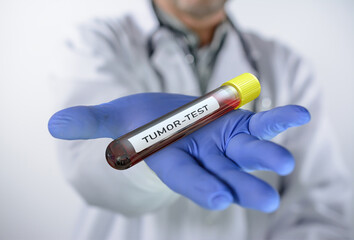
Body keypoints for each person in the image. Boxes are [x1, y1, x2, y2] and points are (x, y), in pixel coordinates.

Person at [48, 0, 352, 239]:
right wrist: (150, 161)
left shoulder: (287, 66)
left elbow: (319, 210)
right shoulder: (97, 42)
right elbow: (87, 167)